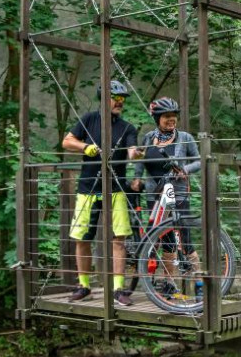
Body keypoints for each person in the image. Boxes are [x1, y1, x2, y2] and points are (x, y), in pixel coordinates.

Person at [62, 80, 139, 305]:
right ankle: (84, 286)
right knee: (82, 238)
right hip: (88, 188)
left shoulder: (128, 128)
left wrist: (137, 153)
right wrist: (85, 147)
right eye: (116, 98)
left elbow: (132, 151)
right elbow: (67, 141)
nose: (120, 102)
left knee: (119, 239)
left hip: (116, 190)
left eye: (122, 99)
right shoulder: (89, 119)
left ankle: (118, 289)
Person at [129, 97, 204, 297]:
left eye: (174, 116)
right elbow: (141, 160)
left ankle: (199, 284)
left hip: (177, 191)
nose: (171, 119)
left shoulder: (185, 137)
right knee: (166, 239)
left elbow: (199, 161)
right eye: (166, 116)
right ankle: (170, 283)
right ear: (157, 118)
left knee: (185, 238)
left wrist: (185, 170)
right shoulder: (148, 138)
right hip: (154, 193)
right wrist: (137, 178)